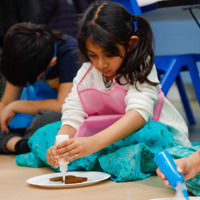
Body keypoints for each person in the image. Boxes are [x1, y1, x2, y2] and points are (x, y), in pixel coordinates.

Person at [45, 1, 191, 168]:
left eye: (109, 55)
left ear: (130, 44)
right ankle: (105, 159)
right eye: (93, 55)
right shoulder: (87, 71)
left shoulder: (140, 65)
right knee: (47, 132)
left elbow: (138, 114)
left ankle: (104, 159)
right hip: (105, 134)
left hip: (146, 131)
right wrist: (61, 143)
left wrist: (93, 143)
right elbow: (73, 111)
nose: (101, 64)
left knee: (152, 134)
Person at [0, 22, 80, 154]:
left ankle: (17, 143)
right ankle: (22, 145)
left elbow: (62, 105)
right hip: (26, 113)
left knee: (46, 121)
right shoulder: (19, 51)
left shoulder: (70, 53)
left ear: (52, 63)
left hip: (55, 111)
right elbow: (6, 102)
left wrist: (15, 106)